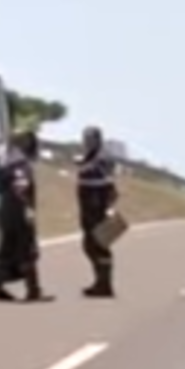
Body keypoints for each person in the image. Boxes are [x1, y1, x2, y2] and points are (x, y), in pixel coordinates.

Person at [0, 128, 50, 302]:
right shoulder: (20, 163)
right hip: (18, 209)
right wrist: (27, 209)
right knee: (26, 248)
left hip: (5, 209)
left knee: (5, 249)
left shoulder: (4, 159)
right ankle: (33, 290)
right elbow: (21, 187)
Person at [76, 125, 119, 298]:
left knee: (99, 246)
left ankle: (105, 285)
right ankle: (100, 282)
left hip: (97, 208)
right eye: (85, 139)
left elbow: (102, 175)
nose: (86, 142)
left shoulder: (102, 158)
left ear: (97, 139)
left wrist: (83, 165)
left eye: (89, 139)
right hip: (88, 207)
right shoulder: (92, 156)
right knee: (89, 246)